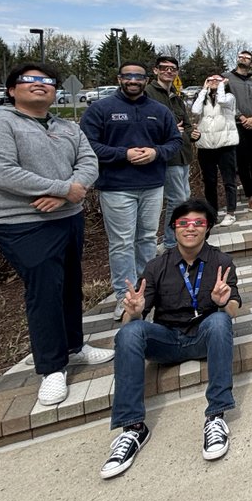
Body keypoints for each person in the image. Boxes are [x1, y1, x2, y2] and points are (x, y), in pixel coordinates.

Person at [0, 62, 110, 407]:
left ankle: (74, 347)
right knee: (44, 291)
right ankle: (51, 367)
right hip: (22, 223)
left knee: (69, 286)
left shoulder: (66, 126)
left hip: (68, 218)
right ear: (11, 89)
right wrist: (64, 188)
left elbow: (88, 162)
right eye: (29, 80)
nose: (39, 85)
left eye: (46, 81)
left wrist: (68, 192)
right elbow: (2, 172)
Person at [101, 199, 240, 479]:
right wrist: (134, 312)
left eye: (198, 223)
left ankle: (216, 416)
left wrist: (223, 302)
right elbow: (135, 321)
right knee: (129, 331)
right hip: (166, 340)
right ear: (174, 229)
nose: (191, 228)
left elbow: (234, 308)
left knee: (220, 320)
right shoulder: (156, 266)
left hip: (203, 336)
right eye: (183, 223)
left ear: (208, 228)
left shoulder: (221, 262)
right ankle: (133, 428)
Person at [81, 61, 182, 320]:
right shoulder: (100, 110)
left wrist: (156, 152)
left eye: (138, 76)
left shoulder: (158, 110)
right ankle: (124, 297)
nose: (133, 80)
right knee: (122, 243)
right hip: (117, 187)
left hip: (152, 185)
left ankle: (148, 291)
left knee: (148, 239)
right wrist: (123, 154)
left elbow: (174, 141)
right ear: (119, 79)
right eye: (128, 76)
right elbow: (88, 145)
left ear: (146, 79)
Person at [145, 55, 195, 252]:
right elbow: (145, 124)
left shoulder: (175, 94)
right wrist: (171, 130)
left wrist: (193, 134)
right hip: (168, 156)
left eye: (172, 69)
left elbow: (187, 124)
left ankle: (174, 238)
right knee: (177, 199)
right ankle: (170, 242)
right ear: (155, 70)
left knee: (184, 196)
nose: (168, 71)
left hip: (184, 154)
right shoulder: (148, 94)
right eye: (164, 68)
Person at [191, 74, 240, 226]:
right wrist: (203, 90)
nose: (213, 81)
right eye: (210, 79)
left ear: (223, 82)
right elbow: (195, 111)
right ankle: (212, 213)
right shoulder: (202, 97)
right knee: (209, 182)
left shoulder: (229, 97)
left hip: (225, 145)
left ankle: (231, 212)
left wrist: (220, 86)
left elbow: (222, 101)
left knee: (229, 180)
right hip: (206, 146)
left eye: (217, 79)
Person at [227, 50, 252, 210]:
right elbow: (225, 102)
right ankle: (250, 195)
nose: (243, 59)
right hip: (236, 126)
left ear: (251, 63)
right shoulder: (227, 79)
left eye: (247, 58)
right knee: (242, 162)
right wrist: (241, 117)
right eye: (241, 57)